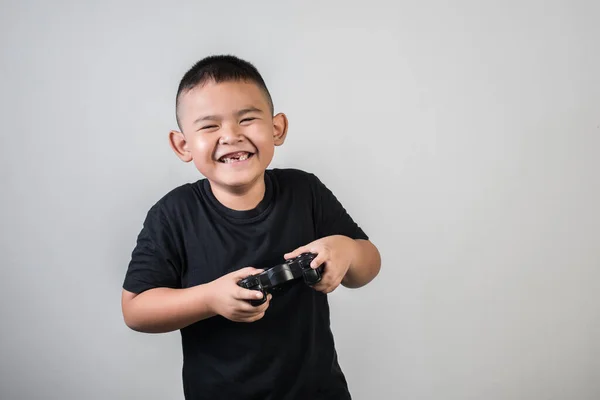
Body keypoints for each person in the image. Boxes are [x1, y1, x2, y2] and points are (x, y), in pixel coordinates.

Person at [121, 54, 382, 400]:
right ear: (182, 145)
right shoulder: (173, 215)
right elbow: (136, 309)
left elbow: (368, 264)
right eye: (210, 126)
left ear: (277, 129)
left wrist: (345, 250)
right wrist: (210, 299)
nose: (231, 136)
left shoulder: (305, 192)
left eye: (247, 119)